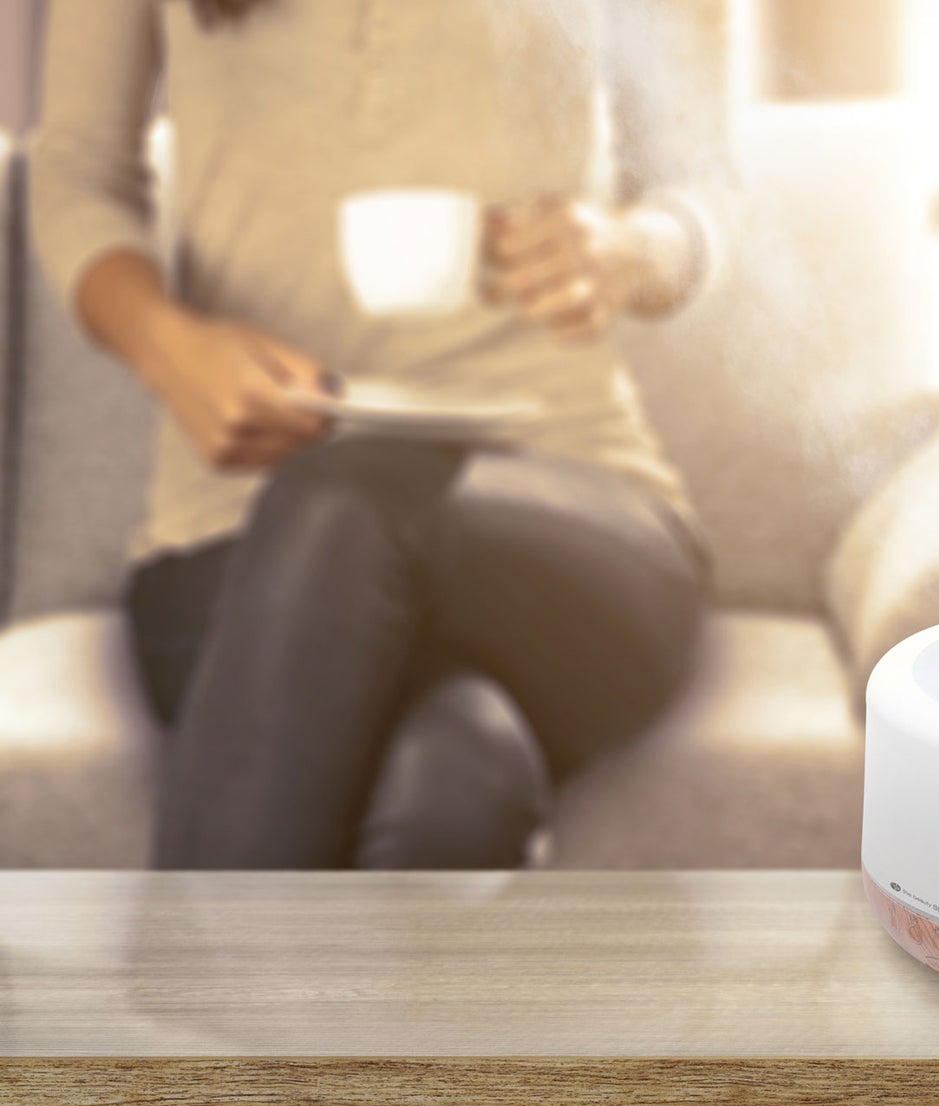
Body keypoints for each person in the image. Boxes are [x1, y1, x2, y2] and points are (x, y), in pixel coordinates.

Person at [28, 0, 733, 870]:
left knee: (350, 494)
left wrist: (631, 248)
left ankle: (182, 986)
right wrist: (169, 346)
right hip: (230, 538)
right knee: (452, 775)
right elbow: (76, 172)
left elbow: (702, 184)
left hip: (570, 515)